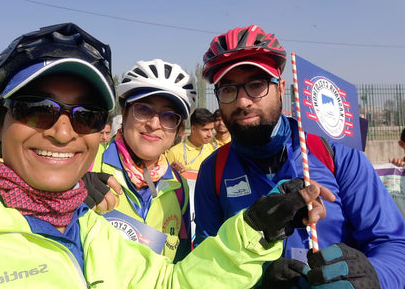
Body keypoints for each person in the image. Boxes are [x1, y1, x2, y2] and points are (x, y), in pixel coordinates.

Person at [0, 23, 332, 288]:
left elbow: (176, 282)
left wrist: (254, 231)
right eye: (37, 108)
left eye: (86, 116)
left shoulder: (95, 231)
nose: (63, 131)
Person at [194, 24, 405, 288]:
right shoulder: (214, 170)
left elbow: (394, 244)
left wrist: (373, 276)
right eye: (228, 89)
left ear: (281, 87)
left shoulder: (334, 151)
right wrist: (258, 284)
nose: (243, 101)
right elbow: (203, 265)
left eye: (256, 85)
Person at [92, 58, 195, 262]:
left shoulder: (179, 187)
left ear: (178, 128)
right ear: (124, 112)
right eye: (144, 109)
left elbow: (180, 265)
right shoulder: (86, 163)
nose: (154, 124)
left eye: (169, 116)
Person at [166, 108, 215, 179]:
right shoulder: (174, 152)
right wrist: (173, 171)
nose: (210, 134)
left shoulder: (212, 151)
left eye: (212, 129)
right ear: (193, 129)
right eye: (205, 130)